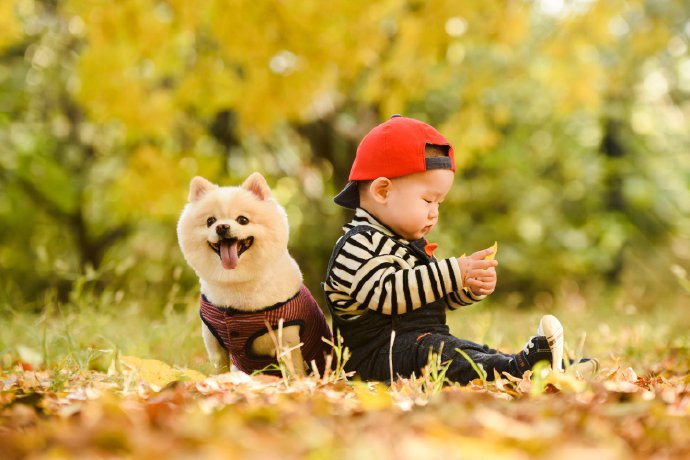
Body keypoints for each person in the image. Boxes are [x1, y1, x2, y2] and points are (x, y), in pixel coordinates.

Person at [322, 115, 593, 384]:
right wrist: (452, 273)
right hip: (376, 361)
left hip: (418, 344)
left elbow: (427, 296)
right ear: (382, 191)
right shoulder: (357, 245)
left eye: (439, 203)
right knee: (441, 353)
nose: (434, 213)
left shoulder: (406, 244)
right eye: (428, 200)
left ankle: (530, 366)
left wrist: (466, 288)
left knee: (465, 350)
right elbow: (387, 294)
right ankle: (519, 369)